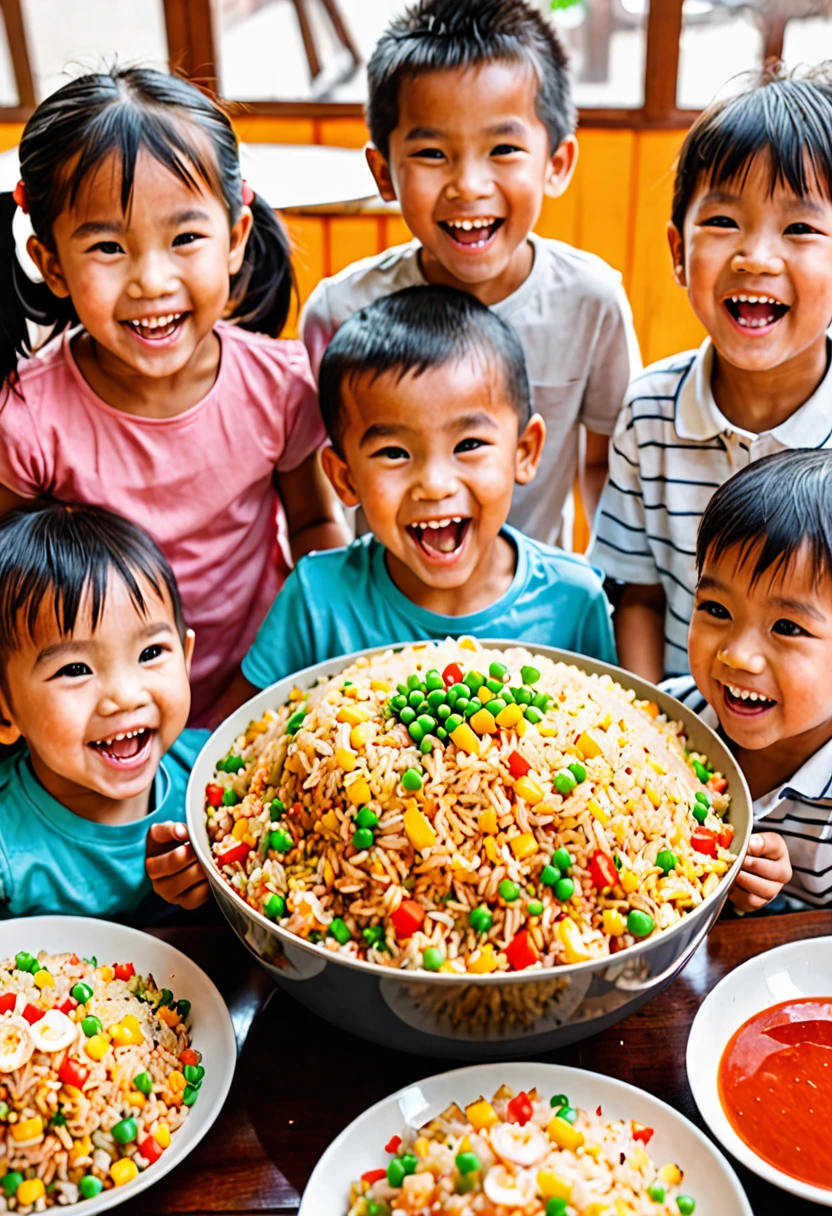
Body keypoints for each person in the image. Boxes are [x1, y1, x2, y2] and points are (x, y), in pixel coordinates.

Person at [0, 67, 347, 725]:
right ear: (51, 264)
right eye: (107, 246)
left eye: (185, 238)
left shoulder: (279, 386)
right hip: (106, 724)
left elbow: (311, 527)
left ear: (236, 238)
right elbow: (12, 594)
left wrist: (327, 640)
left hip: (264, 696)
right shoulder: (28, 422)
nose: (152, 280)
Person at [300, 0, 640, 547]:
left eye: (503, 149)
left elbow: (603, 466)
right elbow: (324, 475)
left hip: (537, 614)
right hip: (391, 609)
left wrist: (597, 586)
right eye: (433, 153)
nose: (469, 186)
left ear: (556, 164)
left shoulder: (590, 303)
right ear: (385, 174)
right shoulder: (339, 311)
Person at [226, 286, 616, 707]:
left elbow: (620, 736)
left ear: (524, 452)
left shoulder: (574, 600)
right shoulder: (317, 600)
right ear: (345, 478)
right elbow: (239, 741)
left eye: (468, 445)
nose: (434, 484)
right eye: (394, 453)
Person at [590, 65, 832, 683]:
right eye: (724, 222)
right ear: (678, 253)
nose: (756, 256)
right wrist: (656, 723)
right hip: (687, 732)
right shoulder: (648, 411)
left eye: (800, 228)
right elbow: (637, 592)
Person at [0, 500, 209, 920]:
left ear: (186, 658)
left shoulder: (217, 776)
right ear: (4, 712)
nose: (125, 696)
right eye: (75, 669)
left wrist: (217, 893)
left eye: (151, 652)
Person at [663, 449, 832, 912]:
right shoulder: (660, 724)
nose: (736, 655)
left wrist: (778, 903)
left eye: (787, 627)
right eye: (717, 610)